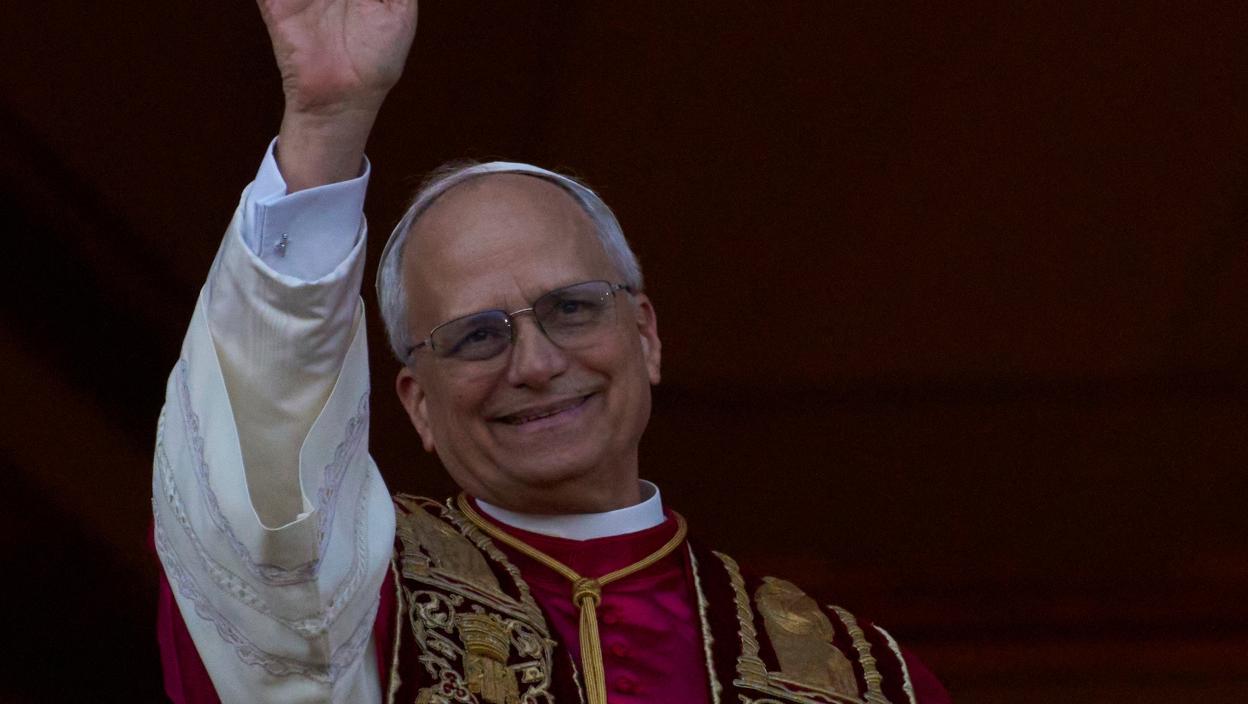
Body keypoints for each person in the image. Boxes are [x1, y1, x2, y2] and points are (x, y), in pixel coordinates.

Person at [151, 2, 951, 702]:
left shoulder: (859, 677)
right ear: (419, 405)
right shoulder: (356, 599)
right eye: (476, 336)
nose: (534, 365)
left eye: (572, 308)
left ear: (646, 335)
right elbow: (258, 522)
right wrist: (326, 130)